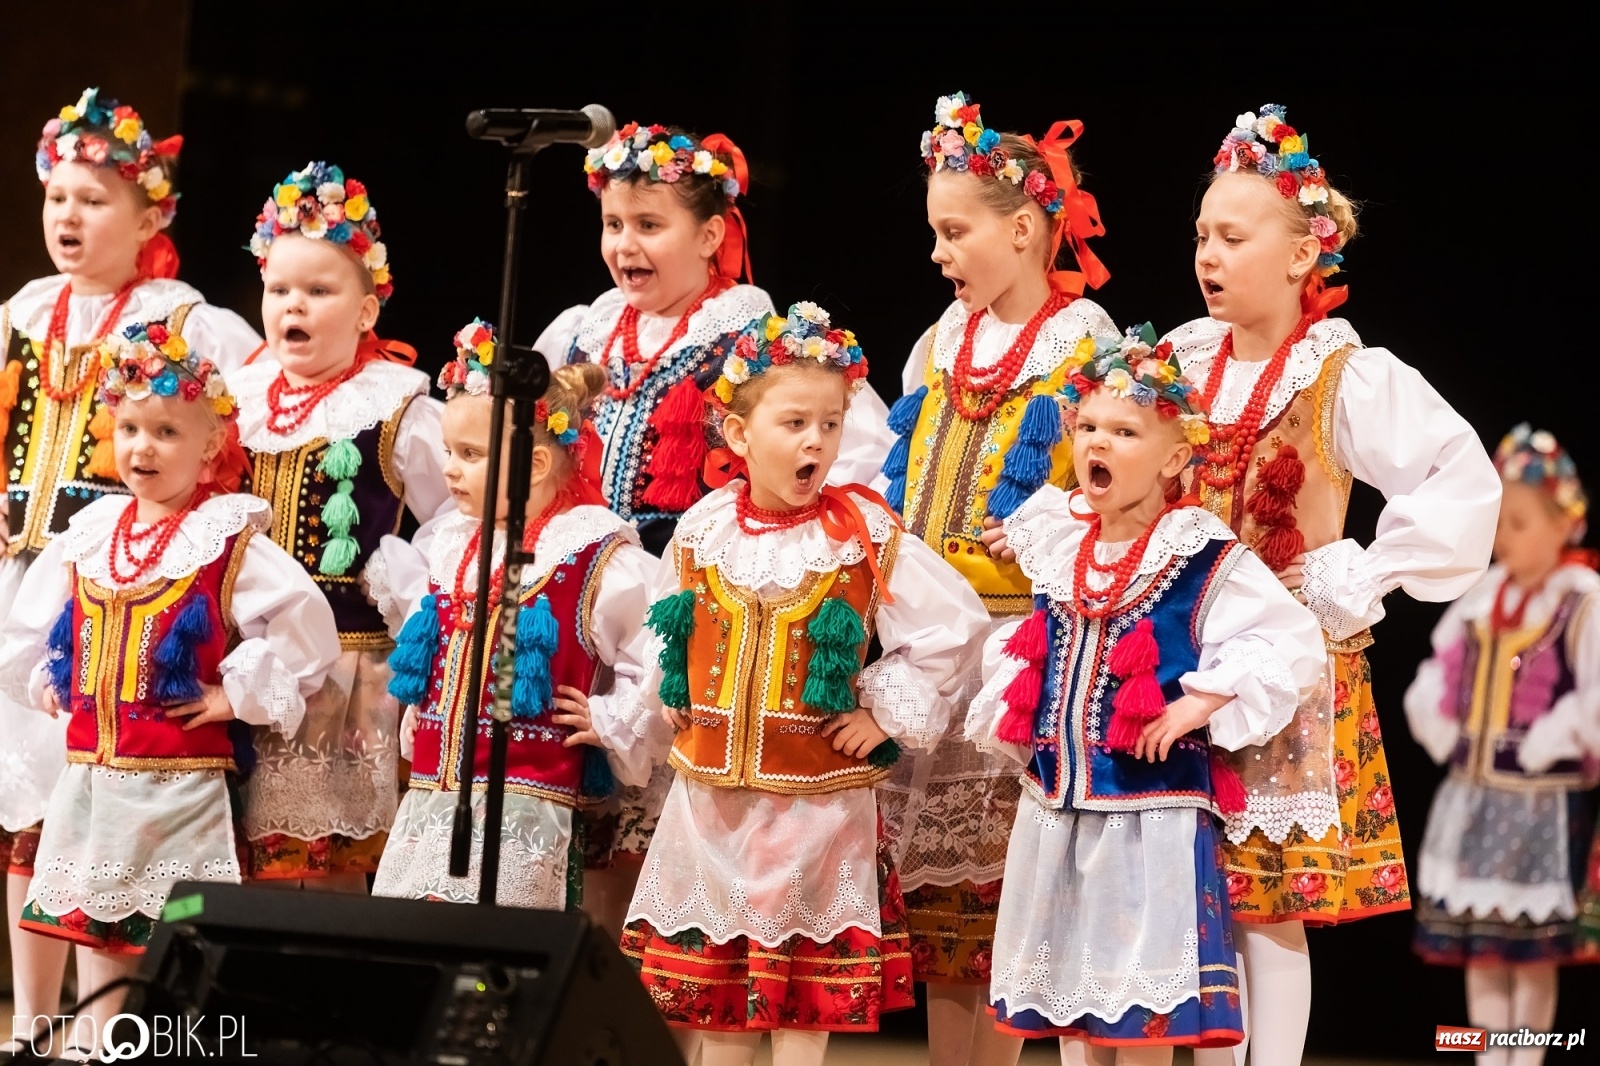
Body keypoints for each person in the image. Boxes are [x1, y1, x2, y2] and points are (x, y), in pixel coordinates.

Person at [622, 303, 986, 1066]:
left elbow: (953, 625)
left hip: (814, 805)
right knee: (720, 997)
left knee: (800, 998)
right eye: (794, 423)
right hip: (713, 801)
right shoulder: (702, 529)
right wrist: (668, 699)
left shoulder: (859, 532)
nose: (815, 440)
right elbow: (668, 627)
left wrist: (883, 709)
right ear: (738, 434)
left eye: (828, 424)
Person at [969, 326, 1325, 1064]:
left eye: (1125, 431)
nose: (1098, 443)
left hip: (1148, 819)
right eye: (1090, 427)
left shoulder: (1198, 551)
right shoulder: (1065, 543)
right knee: (1077, 1014)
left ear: (1174, 457)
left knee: (1139, 1019)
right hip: (1060, 810)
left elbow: (1286, 640)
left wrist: (1202, 701)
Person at [0, 87, 260, 1049]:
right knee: (20, 805)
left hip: (134, 590)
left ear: (151, 215)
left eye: (94, 200)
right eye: (57, 197)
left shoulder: (187, 319)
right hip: (30, 584)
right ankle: (31, 1025)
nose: (68, 217)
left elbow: (243, 430)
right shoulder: (25, 314)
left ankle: (130, 1027)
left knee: (93, 802)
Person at [0, 323, 336, 1058]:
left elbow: (306, 633)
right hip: (91, 784)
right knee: (95, 933)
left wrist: (233, 697)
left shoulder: (225, 537)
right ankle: (91, 1048)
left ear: (210, 445)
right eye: (128, 428)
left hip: (178, 789)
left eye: (165, 431)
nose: (142, 448)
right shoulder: (91, 533)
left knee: (173, 943)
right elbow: (29, 631)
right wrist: (48, 682)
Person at [877, 91, 1114, 1066]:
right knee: (943, 915)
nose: (937, 250)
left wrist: (1050, 528)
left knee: (1009, 907)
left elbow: (1113, 490)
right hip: (935, 646)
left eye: (953, 230)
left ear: (1021, 229)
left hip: (1024, 649)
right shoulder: (939, 343)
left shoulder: (1085, 343)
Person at [373, 322, 659, 907]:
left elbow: (658, 650)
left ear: (532, 464)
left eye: (470, 455)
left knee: (504, 951)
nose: (450, 469)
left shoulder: (590, 548)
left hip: (530, 800)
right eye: (450, 452)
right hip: (435, 791)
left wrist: (611, 717)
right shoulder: (451, 541)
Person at [229, 161, 451, 889]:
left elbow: (455, 528)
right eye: (280, 289)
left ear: (366, 311)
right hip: (239, 667)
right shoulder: (240, 398)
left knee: (327, 870)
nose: (294, 304)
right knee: (240, 868)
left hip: (348, 677)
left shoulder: (397, 410)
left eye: (320, 291)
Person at [1405, 424, 1600, 1066]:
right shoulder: (1485, 597)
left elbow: (1594, 694)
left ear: (1562, 522)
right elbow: (1438, 671)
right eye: (1499, 522)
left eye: (1518, 522)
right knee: (1481, 944)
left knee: (1532, 949)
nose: (1503, 537)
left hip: (1542, 802)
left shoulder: (1580, 600)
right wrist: (1442, 727)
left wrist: (1548, 740)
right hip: (1477, 796)